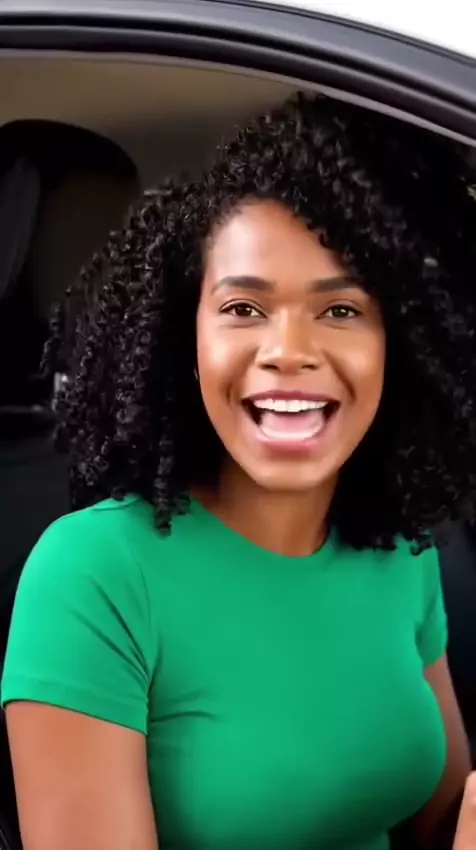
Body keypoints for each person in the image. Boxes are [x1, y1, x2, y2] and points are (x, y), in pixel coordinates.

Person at [1, 93, 476, 850]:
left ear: (400, 345)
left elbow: (441, 825)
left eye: (341, 310)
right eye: (244, 309)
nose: (288, 351)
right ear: (186, 342)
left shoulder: (400, 546)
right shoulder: (95, 573)